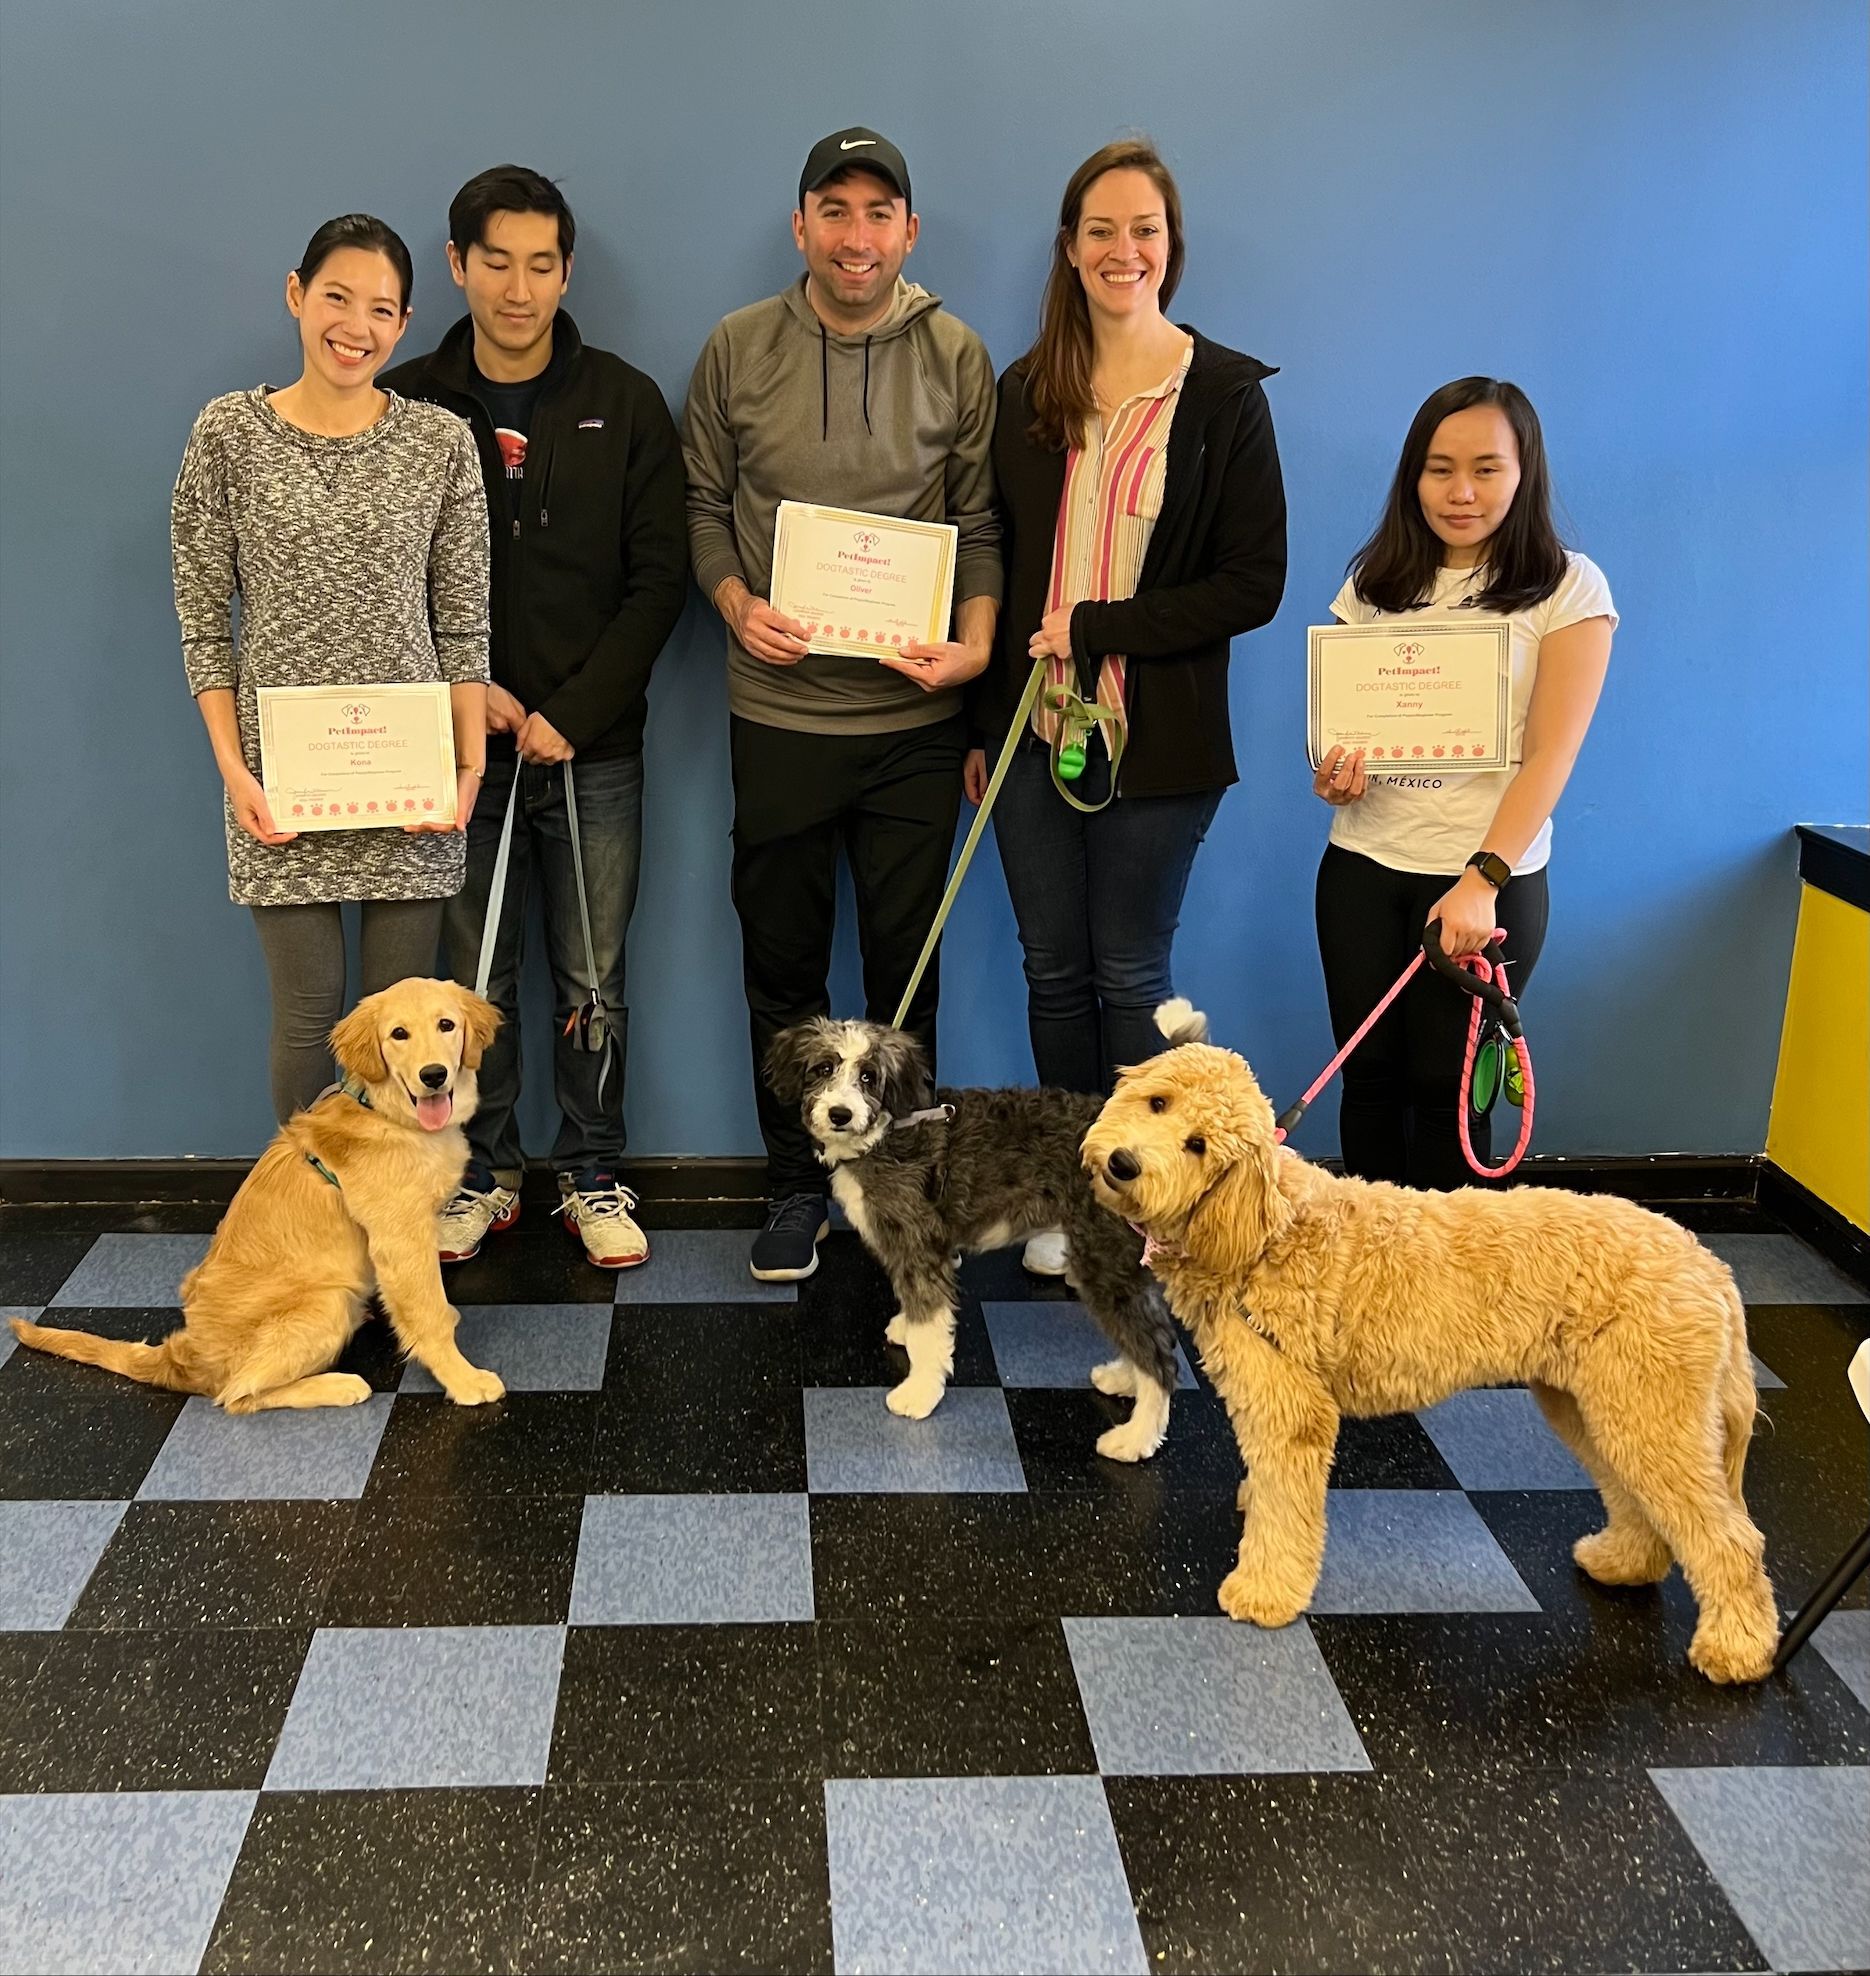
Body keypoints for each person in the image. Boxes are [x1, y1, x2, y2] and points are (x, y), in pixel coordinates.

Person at [684, 128, 1003, 1279]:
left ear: (907, 232)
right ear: (800, 225)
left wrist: (972, 649)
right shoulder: (737, 347)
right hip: (776, 716)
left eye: (879, 213)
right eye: (835, 209)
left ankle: (912, 1187)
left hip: (912, 731)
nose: (855, 234)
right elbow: (704, 501)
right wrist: (730, 598)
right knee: (781, 970)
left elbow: (978, 520)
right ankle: (791, 1189)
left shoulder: (956, 352)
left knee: (905, 976)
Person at [978, 139, 1286, 1273]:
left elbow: (1252, 584)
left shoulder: (1222, 397)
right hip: (1031, 736)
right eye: (1100, 230)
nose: (1123, 249)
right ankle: (1073, 1197)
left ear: (1171, 246)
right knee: (1050, 971)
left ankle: (1145, 1210)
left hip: (1159, 745)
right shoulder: (1025, 390)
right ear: (1069, 249)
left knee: (1128, 975)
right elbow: (998, 564)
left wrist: (1099, 627)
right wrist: (980, 736)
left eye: (1143, 229)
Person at [383, 167, 689, 1270]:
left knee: (592, 973)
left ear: (567, 271)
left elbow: (661, 577)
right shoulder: (407, 401)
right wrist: (471, 695)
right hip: (457, 748)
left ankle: (593, 1170)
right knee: (473, 983)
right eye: (495, 262)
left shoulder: (625, 397)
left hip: (590, 748)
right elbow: (392, 581)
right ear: (458, 265)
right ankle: (481, 1169)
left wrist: (576, 707)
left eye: (542, 264)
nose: (519, 289)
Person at [172, 215, 489, 1125]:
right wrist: (236, 772)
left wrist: (466, 766)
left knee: (411, 1030)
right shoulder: (228, 434)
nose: (356, 324)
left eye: (381, 309)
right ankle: (317, 1222)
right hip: (282, 784)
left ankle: (396, 1217)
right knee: (312, 1020)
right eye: (337, 297)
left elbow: (464, 622)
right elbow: (203, 624)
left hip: (412, 780)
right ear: (296, 295)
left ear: (405, 323)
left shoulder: (440, 443)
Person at [1313, 376, 1616, 1188]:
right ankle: (1373, 1288)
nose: (1460, 491)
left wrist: (1483, 879)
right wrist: (1336, 777)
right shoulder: (1375, 584)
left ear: (1525, 474)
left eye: (1486, 468)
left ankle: (1456, 1305)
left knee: (1448, 1096)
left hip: (1485, 882)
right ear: (1412, 476)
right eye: (1439, 468)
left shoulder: (1568, 588)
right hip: (1363, 870)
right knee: (1368, 1085)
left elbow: (1552, 753)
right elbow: (1346, 739)